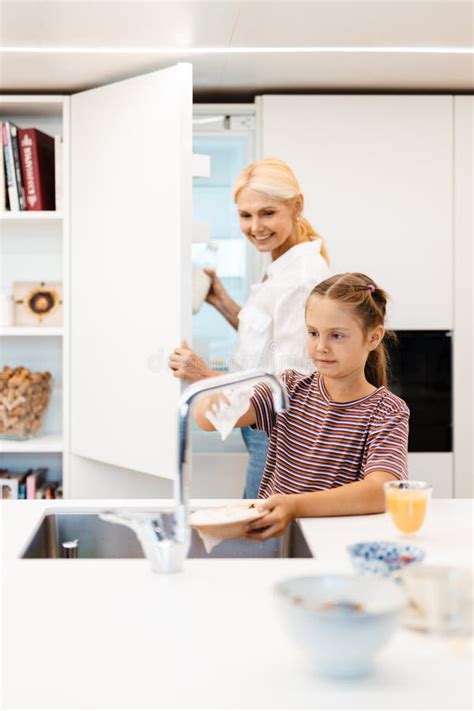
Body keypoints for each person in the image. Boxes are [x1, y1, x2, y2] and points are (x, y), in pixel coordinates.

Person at [193, 272, 410, 540]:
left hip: (337, 541)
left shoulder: (387, 411)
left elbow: (382, 491)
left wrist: (295, 505)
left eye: (337, 336)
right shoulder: (287, 388)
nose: (321, 347)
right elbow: (206, 420)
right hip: (274, 535)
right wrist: (219, 400)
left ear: (374, 337)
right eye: (313, 333)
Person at [169, 158, 331, 498]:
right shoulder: (282, 265)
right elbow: (267, 341)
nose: (256, 226)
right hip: (263, 434)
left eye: (267, 213)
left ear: (296, 206)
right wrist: (222, 301)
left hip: (278, 439)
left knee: (260, 534)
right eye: (246, 215)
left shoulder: (301, 278)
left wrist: (203, 376)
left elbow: (289, 389)